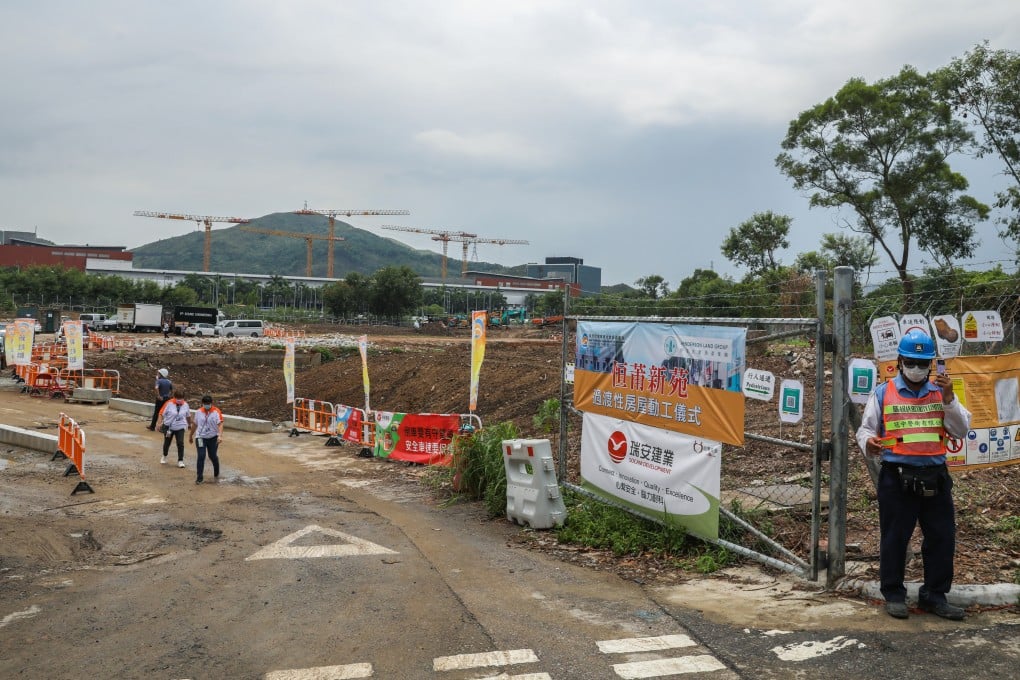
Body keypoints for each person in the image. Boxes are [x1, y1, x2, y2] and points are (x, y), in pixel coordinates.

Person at [855, 329, 971, 621]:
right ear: (900, 361)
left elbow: (960, 429)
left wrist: (948, 398)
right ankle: (894, 594)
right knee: (895, 537)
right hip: (897, 476)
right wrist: (868, 442)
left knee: (942, 537)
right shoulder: (884, 392)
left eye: (923, 364)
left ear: (931, 365)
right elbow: (866, 429)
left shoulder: (941, 393)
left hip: (935, 476)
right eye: (912, 362)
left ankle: (935, 595)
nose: (917, 369)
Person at [189, 394, 223, 484]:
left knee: (212, 456)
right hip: (200, 437)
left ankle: (216, 470)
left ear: (211, 403)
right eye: (205, 403)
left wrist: (220, 435)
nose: (206, 405)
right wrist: (190, 435)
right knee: (201, 456)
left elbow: (220, 424)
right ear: (202, 403)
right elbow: (195, 424)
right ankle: (199, 477)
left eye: (208, 403)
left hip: (213, 438)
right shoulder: (198, 412)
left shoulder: (216, 412)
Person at [156, 390, 193, 468]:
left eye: (181, 398)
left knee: (180, 443)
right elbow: (161, 414)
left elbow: (188, 416)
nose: (179, 400)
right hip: (169, 427)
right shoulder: (168, 403)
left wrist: (190, 424)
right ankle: (164, 455)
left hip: (180, 427)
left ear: (183, 398)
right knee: (167, 442)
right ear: (174, 397)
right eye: (178, 398)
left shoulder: (185, 405)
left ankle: (180, 460)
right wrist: (159, 423)